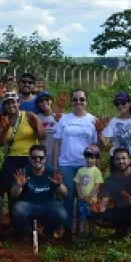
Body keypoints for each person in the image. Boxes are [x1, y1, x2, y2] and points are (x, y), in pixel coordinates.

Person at [51, 89, 98, 225]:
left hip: (86, 165)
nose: (78, 102)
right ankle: (67, 228)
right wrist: (55, 166)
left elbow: (96, 146)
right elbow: (57, 144)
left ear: (86, 101)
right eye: (75, 99)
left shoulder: (92, 120)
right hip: (66, 164)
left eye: (82, 99)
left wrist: (96, 167)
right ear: (71, 102)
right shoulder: (64, 119)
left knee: (85, 198)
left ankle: (83, 229)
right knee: (68, 196)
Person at [0, 91, 45, 203]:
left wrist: (36, 125)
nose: (11, 105)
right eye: (7, 103)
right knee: (5, 183)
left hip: (29, 157)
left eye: (13, 102)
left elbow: (42, 136)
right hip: (12, 157)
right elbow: (0, 143)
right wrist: (4, 130)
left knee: (27, 187)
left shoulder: (29, 116)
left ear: (19, 103)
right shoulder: (3, 120)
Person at [9, 144, 68, 240]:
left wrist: (59, 185)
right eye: (34, 158)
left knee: (62, 214)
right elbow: (13, 195)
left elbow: (64, 193)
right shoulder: (23, 172)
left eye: (41, 158)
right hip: (28, 204)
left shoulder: (52, 172)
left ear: (45, 159)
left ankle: (47, 232)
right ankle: (26, 232)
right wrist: (19, 185)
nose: (37, 160)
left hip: (48, 203)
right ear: (29, 158)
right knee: (17, 209)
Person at [91, 148, 131, 237]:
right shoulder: (109, 180)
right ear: (114, 161)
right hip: (120, 210)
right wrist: (98, 208)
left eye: (124, 158)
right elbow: (104, 202)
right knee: (94, 216)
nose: (121, 162)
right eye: (117, 159)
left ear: (130, 160)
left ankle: (130, 230)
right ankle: (125, 230)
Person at [101, 91, 131, 172]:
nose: (120, 106)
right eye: (117, 103)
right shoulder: (113, 121)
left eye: (123, 103)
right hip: (118, 159)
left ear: (129, 103)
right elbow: (105, 143)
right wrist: (100, 130)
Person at [74, 144, 104, 238]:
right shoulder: (80, 170)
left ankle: (91, 234)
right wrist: (79, 193)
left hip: (92, 200)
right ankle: (82, 233)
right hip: (82, 199)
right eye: (87, 158)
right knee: (82, 216)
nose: (89, 160)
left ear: (96, 159)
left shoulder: (96, 171)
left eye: (92, 158)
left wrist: (91, 195)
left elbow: (97, 184)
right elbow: (77, 183)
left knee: (92, 217)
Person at [34, 91, 58, 159]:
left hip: (57, 153)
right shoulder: (37, 117)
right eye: (41, 101)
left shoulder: (60, 116)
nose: (44, 102)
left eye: (47, 99)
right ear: (38, 104)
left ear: (51, 101)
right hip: (42, 154)